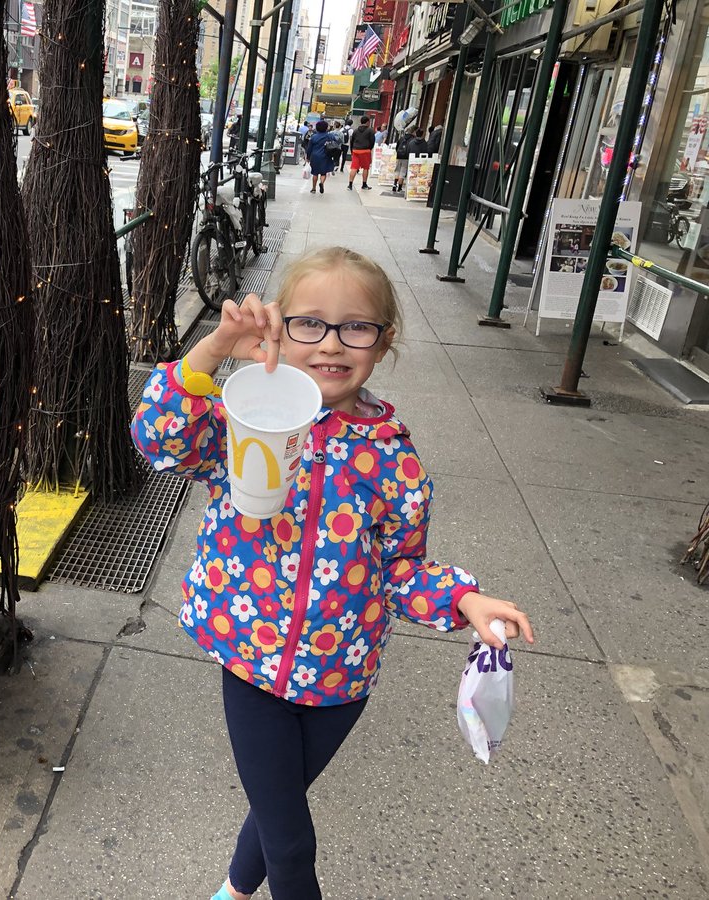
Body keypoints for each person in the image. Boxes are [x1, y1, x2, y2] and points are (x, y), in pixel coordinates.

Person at [130, 246, 535, 900]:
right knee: (292, 843)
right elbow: (158, 436)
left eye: (357, 327)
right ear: (279, 330)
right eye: (309, 323)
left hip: (341, 679)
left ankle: (230, 893)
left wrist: (465, 600)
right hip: (250, 660)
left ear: (384, 341)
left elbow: (403, 567)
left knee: (274, 810)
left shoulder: (394, 458)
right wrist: (217, 347)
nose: (332, 343)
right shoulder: (244, 416)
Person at [305, 119, 338, 194]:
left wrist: (308, 158)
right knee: (323, 173)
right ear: (326, 128)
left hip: (315, 156)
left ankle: (313, 188)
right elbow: (336, 141)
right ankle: (322, 183)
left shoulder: (314, 137)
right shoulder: (329, 136)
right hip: (326, 156)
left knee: (315, 173)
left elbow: (309, 148)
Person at [347, 115, 376, 190]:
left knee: (354, 167)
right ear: (367, 122)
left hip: (356, 150)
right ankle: (364, 184)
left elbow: (352, 141)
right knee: (366, 168)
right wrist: (369, 148)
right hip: (365, 151)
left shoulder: (355, 130)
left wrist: (352, 150)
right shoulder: (370, 131)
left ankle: (350, 184)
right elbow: (372, 141)